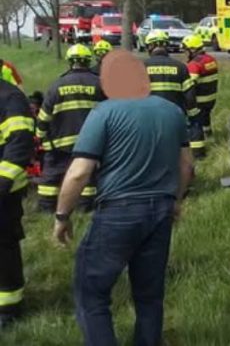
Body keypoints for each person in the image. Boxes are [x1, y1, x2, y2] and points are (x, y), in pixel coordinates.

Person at [53, 49, 194, 346]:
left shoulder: (103, 113)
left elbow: (79, 172)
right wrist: (176, 201)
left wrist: (62, 215)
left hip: (118, 212)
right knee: (150, 295)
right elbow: (187, 166)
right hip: (161, 210)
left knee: (92, 293)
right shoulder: (173, 112)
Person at [36, 44, 105, 212]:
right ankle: (84, 208)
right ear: (88, 61)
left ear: (69, 62)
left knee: (51, 177)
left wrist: (40, 136)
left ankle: (47, 208)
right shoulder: (100, 84)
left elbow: (44, 117)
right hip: (90, 144)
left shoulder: (56, 86)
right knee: (88, 176)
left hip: (60, 145)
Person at [0, 79, 34, 329]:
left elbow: (20, 145)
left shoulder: (10, 98)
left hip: (4, 193)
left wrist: (2, 183)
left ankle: (7, 308)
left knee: (3, 248)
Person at [143, 30, 206, 158]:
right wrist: (194, 116)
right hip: (175, 116)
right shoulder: (180, 67)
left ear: (150, 46)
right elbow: (189, 95)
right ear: (166, 45)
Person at [182, 34, 218, 137]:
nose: (185, 53)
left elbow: (190, 84)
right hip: (211, 98)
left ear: (192, 49)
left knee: (196, 121)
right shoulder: (211, 59)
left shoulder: (194, 64)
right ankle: (208, 134)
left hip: (199, 100)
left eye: (186, 50)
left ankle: (198, 137)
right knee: (206, 117)